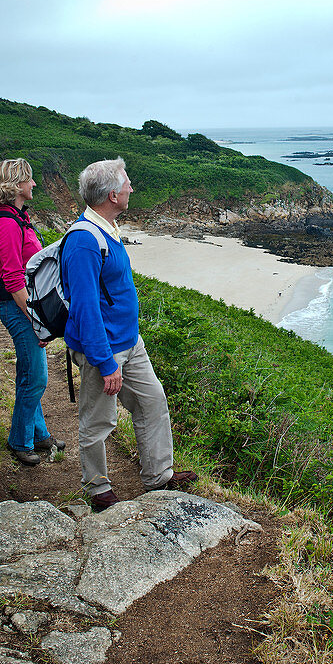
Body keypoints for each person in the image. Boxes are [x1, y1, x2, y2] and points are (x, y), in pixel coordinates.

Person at [62, 157, 196, 510]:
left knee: (152, 402)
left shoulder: (108, 227)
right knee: (98, 420)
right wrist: (105, 362)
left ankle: (159, 476)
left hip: (129, 342)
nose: (131, 188)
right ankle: (97, 489)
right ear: (111, 194)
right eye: (126, 183)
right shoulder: (84, 241)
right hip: (103, 348)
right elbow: (85, 308)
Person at [0, 158, 65, 466]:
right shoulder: (6, 223)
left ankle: (40, 434)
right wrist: (36, 320)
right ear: (17, 185)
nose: (33, 184)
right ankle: (20, 440)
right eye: (29, 180)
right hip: (17, 308)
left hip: (22, 306)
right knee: (36, 378)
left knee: (30, 373)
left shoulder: (16, 217)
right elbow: (13, 277)